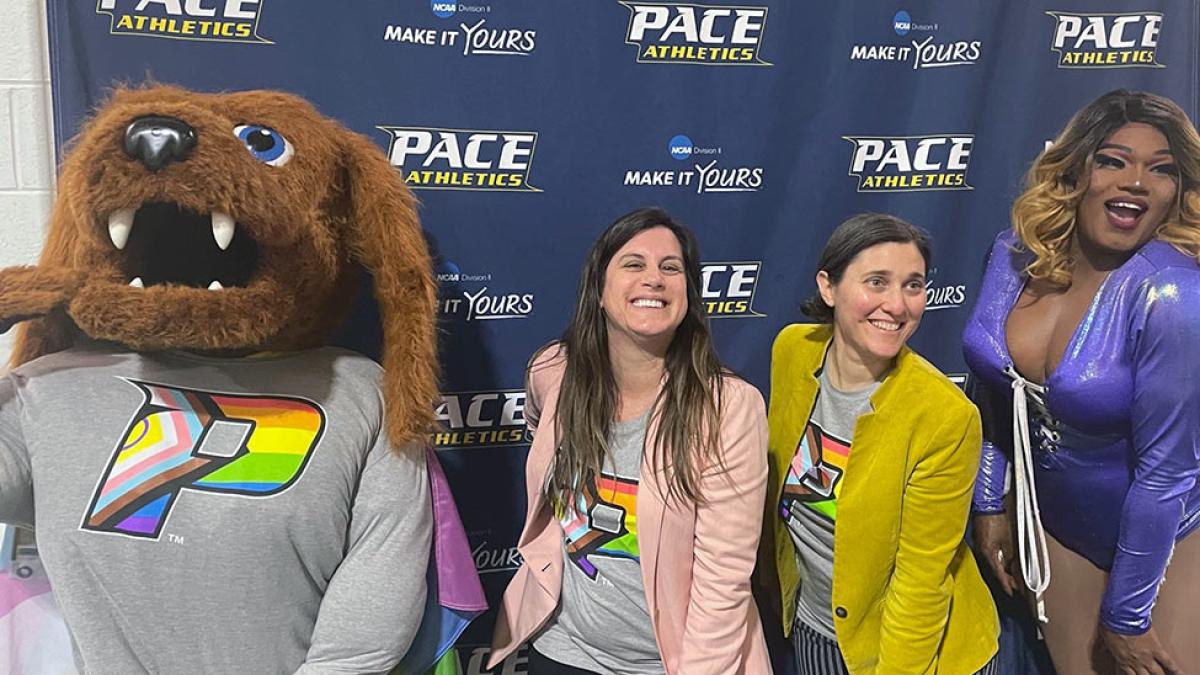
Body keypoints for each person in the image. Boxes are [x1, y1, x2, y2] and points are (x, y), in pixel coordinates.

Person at [965, 89, 1200, 674]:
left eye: (1161, 169)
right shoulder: (1017, 253)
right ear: (1077, 170)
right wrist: (990, 503)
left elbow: (1169, 471)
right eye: (1113, 160)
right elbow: (995, 387)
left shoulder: (1174, 295)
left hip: (1168, 541)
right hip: (1056, 528)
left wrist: (1127, 615)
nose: (1137, 182)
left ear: (1179, 190)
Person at [488, 207, 771, 675]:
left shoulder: (729, 407)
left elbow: (723, 582)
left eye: (671, 268)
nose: (654, 279)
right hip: (562, 652)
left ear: (688, 295)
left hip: (670, 665)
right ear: (599, 290)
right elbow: (541, 436)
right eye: (634, 264)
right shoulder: (553, 371)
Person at [763, 213, 998, 674]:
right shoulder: (793, 349)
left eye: (913, 285)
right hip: (817, 629)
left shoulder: (945, 416)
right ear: (828, 288)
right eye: (877, 282)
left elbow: (920, 582)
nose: (896, 304)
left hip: (916, 650)